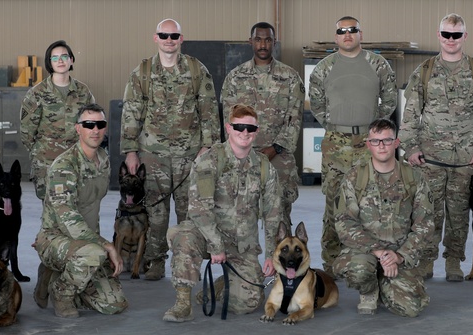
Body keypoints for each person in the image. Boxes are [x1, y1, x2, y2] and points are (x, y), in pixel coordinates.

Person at [400, 13, 473, 281]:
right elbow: (410, 113)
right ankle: (426, 261)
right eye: (446, 34)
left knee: (458, 212)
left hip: (466, 160)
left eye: (456, 35)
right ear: (439, 35)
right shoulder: (425, 71)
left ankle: (454, 262)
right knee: (428, 211)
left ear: (464, 37)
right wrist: (409, 148)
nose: (451, 40)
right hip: (430, 159)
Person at [163, 104, 282, 322]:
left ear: (257, 131)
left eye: (250, 128)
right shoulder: (210, 160)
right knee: (184, 236)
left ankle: (216, 288)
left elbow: (273, 212)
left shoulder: (264, 167)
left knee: (248, 303)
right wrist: (216, 245)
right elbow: (199, 208)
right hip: (205, 235)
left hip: (241, 242)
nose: (244, 133)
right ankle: (182, 303)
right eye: (239, 127)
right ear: (228, 128)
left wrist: (271, 254)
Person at [122, 18, 221, 280]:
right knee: (155, 212)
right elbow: (132, 112)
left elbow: (209, 109)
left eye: (173, 36)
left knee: (190, 212)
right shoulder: (142, 73)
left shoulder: (196, 70)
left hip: (190, 155)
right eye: (164, 35)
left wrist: (208, 146)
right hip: (153, 156)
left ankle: (187, 260)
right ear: (155, 38)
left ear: (181, 39)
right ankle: (155, 261)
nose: (169, 40)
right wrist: (130, 151)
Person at [309, 16, 397, 274]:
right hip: (336, 144)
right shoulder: (324, 67)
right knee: (334, 203)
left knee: (371, 203)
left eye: (352, 30)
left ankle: (369, 262)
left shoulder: (378, 65)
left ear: (361, 33)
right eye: (342, 31)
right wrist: (336, 124)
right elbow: (316, 103)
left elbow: (390, 100)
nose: (347, 34)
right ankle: (331, 263)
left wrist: (372, 128)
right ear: (336, 37)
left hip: (369, 144)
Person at [34, 103, 126, 318]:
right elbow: (69, 220)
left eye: (100, 124)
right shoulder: (64, 166)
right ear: (78, 129)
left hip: (88, 240)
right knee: (93, 254)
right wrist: (107, 245)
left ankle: (59, 276)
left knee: (114, 304)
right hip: (57, 238)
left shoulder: (103, 160)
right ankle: (61, 293)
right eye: (88, 124)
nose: (95, 130)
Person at [334, 118, 433, 317]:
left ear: (396, 143)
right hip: (365, 251)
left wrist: (399, 256)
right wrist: (379, 252)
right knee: (359, 270)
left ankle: (385, 284)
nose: (382, 146)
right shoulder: (354, 178)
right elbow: (344, 223)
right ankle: (369, 290)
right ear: (368, 144)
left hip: (399, 252)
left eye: (387, 140)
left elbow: (425, 224)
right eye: (376, 141)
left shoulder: (413, 178)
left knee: (411, 308)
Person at [221, 21, 303, 231]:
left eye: (268, 39)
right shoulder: (235, 78)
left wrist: (274, 149)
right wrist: (244, 151)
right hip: (242, 157)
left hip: (279, 157)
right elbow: (229, 121)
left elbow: (294, 119)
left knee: (279, 221)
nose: (263, 44)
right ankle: (243, 264)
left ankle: (280, 264)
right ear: (251, 42)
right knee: (239, 219)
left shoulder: (290, 77)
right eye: (258, 39)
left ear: (274, 42)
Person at [21, 40, 96, 201]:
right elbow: (27, 131)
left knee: (77, 210)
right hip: (46, 163)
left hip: (77, 161)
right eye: (54, 58)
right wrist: (41, 153)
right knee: (51, 214)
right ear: (49, 63)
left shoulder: (83, 92)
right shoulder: (37, 93)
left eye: (64, 56)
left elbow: (92, 125)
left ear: (72, 60)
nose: (60, 61)